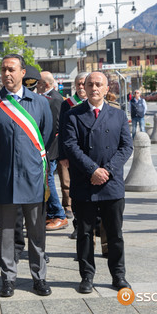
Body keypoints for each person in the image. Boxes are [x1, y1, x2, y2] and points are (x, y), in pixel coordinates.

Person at [0, 54, 53, 297]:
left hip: (32, 177)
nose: (7, 74)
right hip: (5, 178)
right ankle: (8, 278)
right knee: (7, 233)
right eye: (3, 70)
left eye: (12, 69)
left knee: (36, 233)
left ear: (23, 73)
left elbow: (47, 136)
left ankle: (38, 278)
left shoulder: (40, 103)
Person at [62, 71, 133, 294]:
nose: (93, 88)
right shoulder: (73, 115)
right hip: (84, 182)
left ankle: (118, 275)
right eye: (89, 84)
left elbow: (126, 147)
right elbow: (70, 146)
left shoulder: (118, 116)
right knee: (84, 234)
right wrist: (93, 169)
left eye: (98, 84)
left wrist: (107, 171)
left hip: (111, 184)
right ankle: (87, 276)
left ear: (106, 88)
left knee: (115, 234)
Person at [58, 72, 89, 239]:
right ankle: (78, 226)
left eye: (85, 83)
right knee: (76, 192)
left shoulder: (94, 102)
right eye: (79, 84)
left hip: (92, 154)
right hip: (74, 155)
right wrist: (62, 155)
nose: (82, 87)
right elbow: (62, 131)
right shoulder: (68, 104)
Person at [37, 71, 69, 231]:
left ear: (46, 85)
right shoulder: (47, 98)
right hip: (46, 147)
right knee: (46, 180)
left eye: (38, 83)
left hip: (51, 148)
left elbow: (56, 127)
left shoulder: (55, 99)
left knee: (48, 179)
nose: (36, 86)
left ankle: (59, 214)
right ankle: (51, 213)